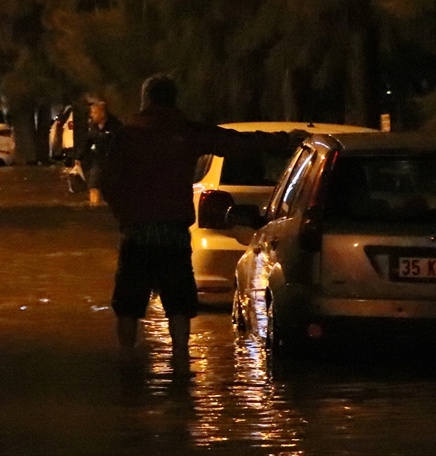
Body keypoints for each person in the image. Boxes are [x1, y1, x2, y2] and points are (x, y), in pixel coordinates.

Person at [100, 74, 303, 371]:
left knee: (128, 306)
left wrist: (126, 214)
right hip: (174, 234)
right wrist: (285, 141)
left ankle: (127, 363)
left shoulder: (127, 136)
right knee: (179, 305)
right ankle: (181, 361)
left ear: (146, 101)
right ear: (173, 100)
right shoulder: (186, 132)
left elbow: (109, 182)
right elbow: (236, 143)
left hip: (137, 232)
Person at [73, 100, 121, 206]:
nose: (91, 115)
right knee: (93, 186)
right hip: (98, 161)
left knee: (112, 189)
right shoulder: (93, 128)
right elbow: (86, 143)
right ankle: (94, 207)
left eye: (94, 112)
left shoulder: (115, 126)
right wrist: (78, 158)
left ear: (102, 113)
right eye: (91, 112)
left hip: (113, 162)